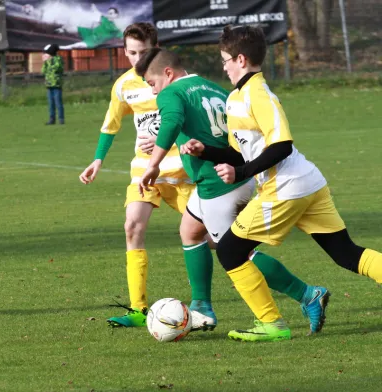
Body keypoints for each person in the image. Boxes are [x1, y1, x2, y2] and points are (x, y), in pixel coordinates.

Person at [179, 25, 382, 342]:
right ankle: (301, 304)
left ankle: (272, 324)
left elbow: (282, 145)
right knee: (345, 253)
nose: (224, 66)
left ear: (241, 59)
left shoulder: (259, 94)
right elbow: (238, 151)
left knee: (230, 250)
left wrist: (243, 173)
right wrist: (206, 151)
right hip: (308, 184)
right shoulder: (236, 97)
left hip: (285, 189)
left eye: (225, 60)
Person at [135, 47, 331, 336]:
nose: (153, 93)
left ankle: (305, 296)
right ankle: (201, 307)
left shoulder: (170, 93)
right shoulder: (212, 87)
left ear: (168, 73)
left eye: (152, 84)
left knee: (236, 254)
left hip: (218, 184)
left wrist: (153, 164)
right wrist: (170, 139)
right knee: (190, 231)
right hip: (234, 173)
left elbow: (175, 118)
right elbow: (210, 129)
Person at [79, 23, 217, 330]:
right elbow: (110, 124)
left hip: (182, 172)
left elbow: (189, 120)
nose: (136, 58)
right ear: (123, 52)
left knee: (216, 239)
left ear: (156, 48)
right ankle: (139, 309)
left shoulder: (173, 82)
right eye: (131, 52)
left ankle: (206, 302)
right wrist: (97, 160)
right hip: (145, 172)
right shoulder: (124, 86)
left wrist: (166, 141)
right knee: (132, 227)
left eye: (143, 52)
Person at [41, 44, 65, 125]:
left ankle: (61, 119)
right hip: (49, 85)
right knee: (51, 103)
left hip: (56, 85)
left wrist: (49, 62)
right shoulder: (47, 61)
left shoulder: (58, 59)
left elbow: (57, 68)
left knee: (58, 102)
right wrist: (45, 62)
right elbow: (43, 71)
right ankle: (52, 119)